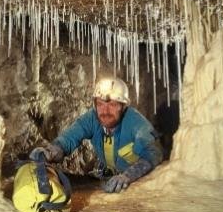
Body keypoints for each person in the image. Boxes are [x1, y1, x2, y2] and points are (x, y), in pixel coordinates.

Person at [30, 77, 162, 193]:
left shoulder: (136, 122)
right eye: (100, 104)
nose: (105, 111)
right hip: (109, 175)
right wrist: (51, 151)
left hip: (137, 181)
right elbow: (69, 137)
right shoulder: (92, 119)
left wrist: (128, 176)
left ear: (123, 106)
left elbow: (153, 152)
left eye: (112, 105)